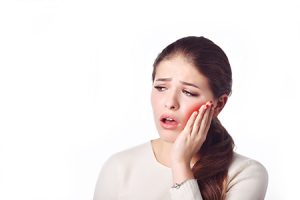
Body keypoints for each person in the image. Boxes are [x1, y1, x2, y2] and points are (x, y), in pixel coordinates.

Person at [93, 36, 268, 200]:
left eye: (188, 92)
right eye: (161, 88)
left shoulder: (245, 173)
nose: (170, 103)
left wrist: (180, 165)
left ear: (219, 105)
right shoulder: (119, 167)